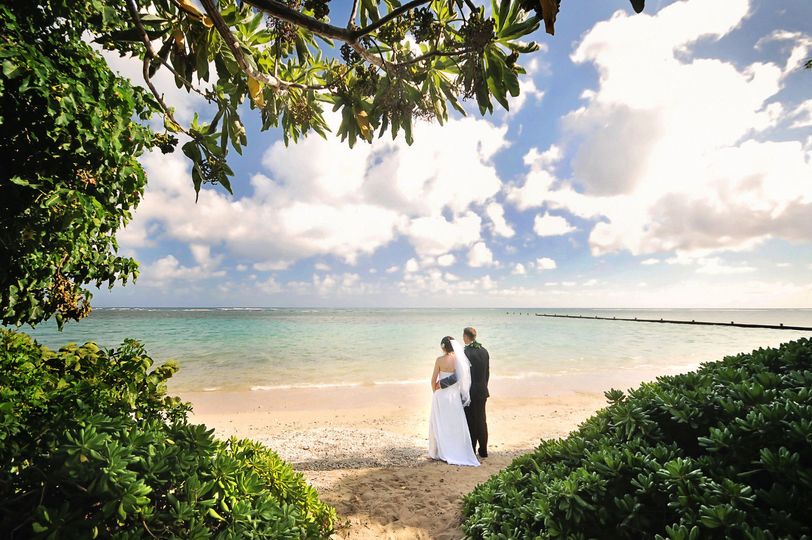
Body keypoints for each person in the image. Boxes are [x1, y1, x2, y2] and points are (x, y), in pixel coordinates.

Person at [427, 336, 479, 466]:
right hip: (454, 396)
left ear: (443, 346)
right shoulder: (458, 360)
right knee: (454, 423)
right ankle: (456, 449)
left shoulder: (439, 360)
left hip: (441, 396)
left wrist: (436, 391)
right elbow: (461, 377)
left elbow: (433, 381)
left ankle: (438, 452)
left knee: (439, 422)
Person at [463, 327, 489, 458]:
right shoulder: (484, 351)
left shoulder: (466, 352)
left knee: (471, 420)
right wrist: (484, 387)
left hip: (471, 391)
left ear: (466, 337)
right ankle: (483, 450)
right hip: (483, 390)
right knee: (482, 419)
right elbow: (487, 373)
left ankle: (472, 450)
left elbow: (464, 375)